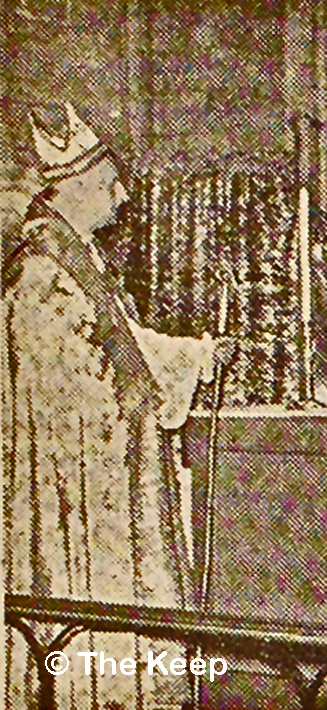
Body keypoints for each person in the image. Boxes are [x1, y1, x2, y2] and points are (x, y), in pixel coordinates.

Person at [3, 103, 232, 709]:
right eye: (108, 184)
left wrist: (192, 355)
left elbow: (123, 342)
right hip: (78, 478)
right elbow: (60, 382)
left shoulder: (81, 263)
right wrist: (131, 395)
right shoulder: (40, 274)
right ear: (72, 189)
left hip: (108, 468)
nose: (123, 195)